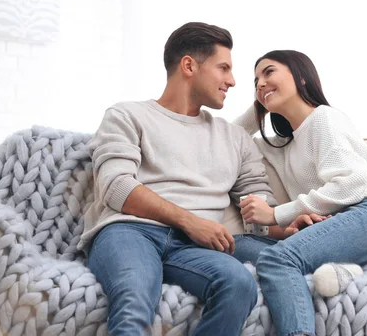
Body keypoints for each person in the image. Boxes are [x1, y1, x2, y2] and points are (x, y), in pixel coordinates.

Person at [78, 22, 278, 336]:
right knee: (135, 299)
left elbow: (259, 205)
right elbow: (116, 187)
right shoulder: (127, 115)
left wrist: (286, 221)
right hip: (130, 232)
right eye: (223, 68)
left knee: (238, 283)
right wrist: (189, 221)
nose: (233, 80)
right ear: (188, 65)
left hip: (193, 248)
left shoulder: (235, 138)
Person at [233, 50, 367, 336]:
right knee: (237, 243)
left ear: (302, 77)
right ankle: (348, 272)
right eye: (255, 81)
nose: (260, 83)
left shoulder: (324, 119)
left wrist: (277, 214)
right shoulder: (281, 146)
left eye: (269, 72)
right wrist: (259, 107)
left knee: (276, 259)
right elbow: (228, 140)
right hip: (340, 228)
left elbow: (352, 182)